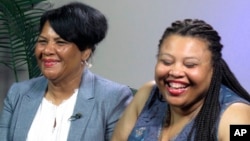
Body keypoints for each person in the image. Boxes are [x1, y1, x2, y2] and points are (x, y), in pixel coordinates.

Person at [0, 2, 133, 141]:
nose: (47, 50)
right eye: (43, 41)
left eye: (60, 42)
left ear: (85, 52)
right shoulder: (18, 93)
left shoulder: (113, 98)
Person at [111, 19, 250, 141]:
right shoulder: (147, 94)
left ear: (213, 69)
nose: (175, 72)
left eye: (190, 64)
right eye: (166, 61)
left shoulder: (237, 116)